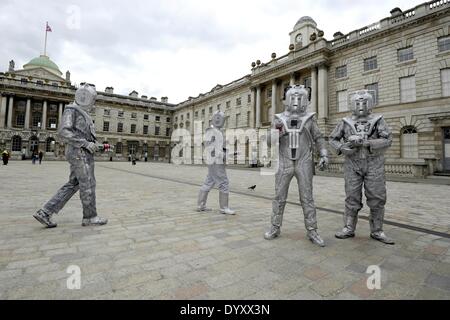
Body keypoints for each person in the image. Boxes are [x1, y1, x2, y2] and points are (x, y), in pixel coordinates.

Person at [33, 84, 108, 228]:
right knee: (88, 184)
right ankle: (90, 217)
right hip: (79, 153)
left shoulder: (81, 112)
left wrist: (98, 146)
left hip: (81, 152)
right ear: (85, 97)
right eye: (92, 99)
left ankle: (45, 212)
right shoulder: (71, 110)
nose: (93, 103)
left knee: (74, 184)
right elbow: (63, 132)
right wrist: (85, 144)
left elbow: (84, 137)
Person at [264, 85, 328, 247]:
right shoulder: (279, 119)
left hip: (304, 160)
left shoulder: (310, 119)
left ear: (305, 101)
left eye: (300, 98)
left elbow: (319, 138)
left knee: (307, 197)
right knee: (279, 196)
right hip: (284, 160)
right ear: (286, 99)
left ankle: (312, 230)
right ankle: (275, 227)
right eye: (293, 97)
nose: (296, 101)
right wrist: (277, 133)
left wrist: (324, 154)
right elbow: (269, 142)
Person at [329, 90, 394, 245]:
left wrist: (368, 143)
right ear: (352, 105)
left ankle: (377, 230)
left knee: (377, 197)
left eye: (364, 102)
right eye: (357, 103)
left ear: (370, 104)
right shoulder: (345, 121)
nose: (360, 106)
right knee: (352, 196)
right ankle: (349, 227)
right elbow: (333, 139)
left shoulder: (378, 120)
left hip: (374, 163)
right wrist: (343, 148)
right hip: (352, 163)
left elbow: (388, 139)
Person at [197, 111, 235, 215]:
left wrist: (226, 152)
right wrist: (221, 154)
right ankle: (224, 208)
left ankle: (200, 205)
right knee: (223, 182)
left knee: (209, 182)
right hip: (215, 161)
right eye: (217, 118)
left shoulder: (217, 131)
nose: (219, 120)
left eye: (221, 119)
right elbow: (209, 146)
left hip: (215, 160)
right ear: (213, 119)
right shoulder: (211, 131)